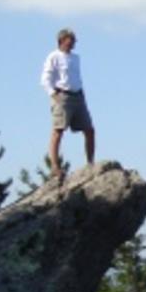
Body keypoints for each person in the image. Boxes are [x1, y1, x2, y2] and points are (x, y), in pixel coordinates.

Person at [40, 28, 95, 180]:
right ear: (62, 40)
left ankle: (90, 163)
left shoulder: (76, 58)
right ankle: (55, 166)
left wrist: (82, 94)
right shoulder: (54, 57)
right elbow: (45, 79)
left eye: (73, 40)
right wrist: (53, 94)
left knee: (89, 130)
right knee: (58, 130)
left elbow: (77, 77)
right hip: (62, 95)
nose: (73, 43)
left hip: (78, 95)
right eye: (70, 39)